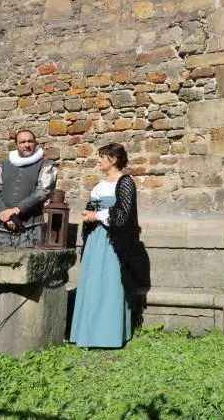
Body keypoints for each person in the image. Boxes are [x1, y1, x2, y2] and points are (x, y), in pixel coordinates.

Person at [70, 143, 147, 348]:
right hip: (96, 239)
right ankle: (87, 332)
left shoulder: (125, 182)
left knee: (110, 283)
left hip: (113, 242)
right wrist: (88, 213)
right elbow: (93, 206)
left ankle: (108, 334)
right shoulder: (100, 184)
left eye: (101, 157)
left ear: (113, 159)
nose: (98, 161)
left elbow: (123, 215)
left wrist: (97, 215)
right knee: (92, 282)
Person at [0, 130, 57, 248]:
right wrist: (3, 213)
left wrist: (17, 209)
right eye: (22, 142)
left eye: (30, 141)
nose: (27, 145)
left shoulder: (46, 165)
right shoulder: (3, 165)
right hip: (2, 228)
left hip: (30, 229)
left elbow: (43, 191)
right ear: (16, 145)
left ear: (36, 143)